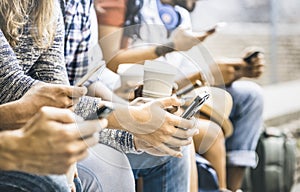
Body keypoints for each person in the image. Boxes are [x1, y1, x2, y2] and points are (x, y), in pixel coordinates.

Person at [95, 0, 265, 191]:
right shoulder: (126, 6)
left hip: (180, 91)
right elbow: (110, 63)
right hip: (142, 94)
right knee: (200, 134)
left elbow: (182, 74)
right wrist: (174, 49)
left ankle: (234, 188)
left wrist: (229, 72)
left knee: (251, 95)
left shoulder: (180, 16)